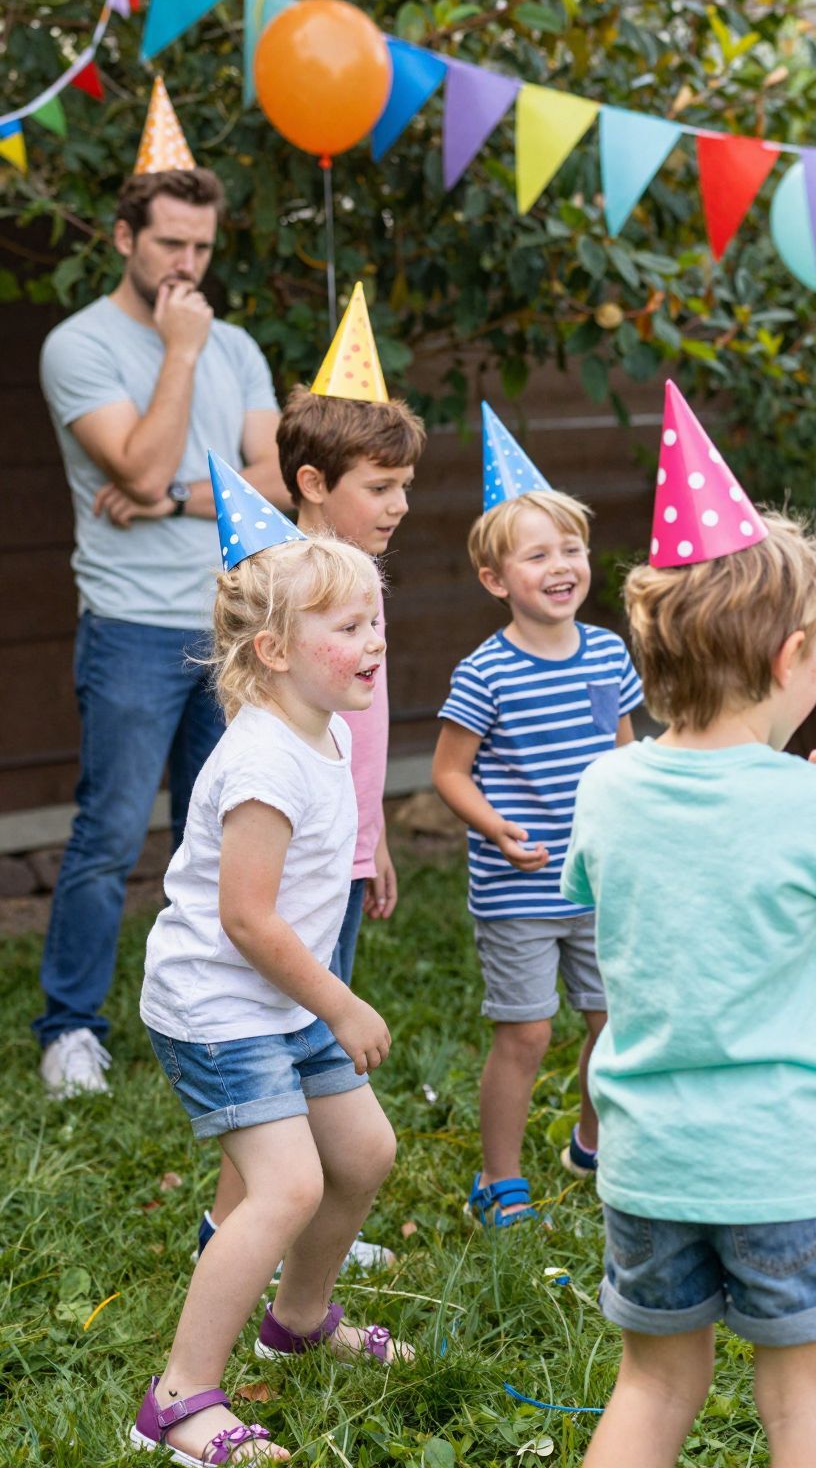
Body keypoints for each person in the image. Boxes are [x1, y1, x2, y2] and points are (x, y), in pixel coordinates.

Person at [570, 421, 816, 1467]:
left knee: (654, 1385)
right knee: (807, 1405)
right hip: (785, 1161)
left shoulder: (604, 787)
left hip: (648, 1158)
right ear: (790, 657)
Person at [132, 496, 409, 1468]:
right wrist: (341, 1001)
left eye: (375, 620)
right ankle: (177, 1402)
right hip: (216, 1007)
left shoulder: (325, 730)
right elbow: (247, 918)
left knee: (363, 1153)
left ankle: (294, 1323)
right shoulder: (261, 762)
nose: (375, 641)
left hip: (280, 1000)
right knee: (286, 1187)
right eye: (350, 627)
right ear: (275, 652)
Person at [36, 156, 288, 1098]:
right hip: (133, 627)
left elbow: (278, 477)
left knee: (218, 833)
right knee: (108, 837)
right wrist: (180, 349)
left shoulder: (240, 345)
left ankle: (208, 1017)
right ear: (123, 239)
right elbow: (136, 467)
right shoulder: (79, 346)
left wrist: (179, 498)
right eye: (171, 243)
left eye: (203, 247)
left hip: (234, 630)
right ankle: (69, 1028)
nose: (189, 264)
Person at [197, 381, 424, 1275]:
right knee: (278, 1053)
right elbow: (272, 773)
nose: (398, 505)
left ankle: (285, 1224)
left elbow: (359, 747)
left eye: (405, 487)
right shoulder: (290, 602)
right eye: (381, 486)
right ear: (313, 483)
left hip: (341, 852)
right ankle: (236, 1228)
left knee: (305, 1043)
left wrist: (375, 836)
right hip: (289, 877)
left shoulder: (353, 591)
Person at [432, 468, 642, 1229]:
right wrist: (494, 827)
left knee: (612, 1022)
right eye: (538, 555)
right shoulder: (484, 673)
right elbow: (448, 772)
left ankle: (592, 1143)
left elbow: (623, 754)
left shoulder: (608, 653)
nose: (562, 566)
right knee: (525, 1034)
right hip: (517, 888)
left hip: (597, 880)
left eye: (572, 549)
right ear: (495, 580)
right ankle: (499, 1179)